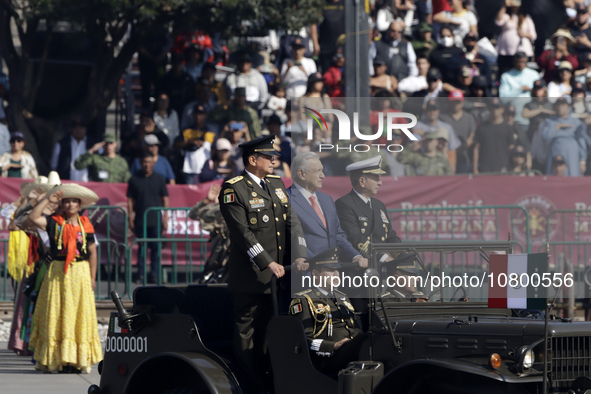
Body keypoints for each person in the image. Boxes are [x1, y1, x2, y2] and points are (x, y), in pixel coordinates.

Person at [218, 134, 307, 385]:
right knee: (247, 332)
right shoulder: (234, 189)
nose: (273, 161)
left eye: (274, 157)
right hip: (252, 277)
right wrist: (267, 261)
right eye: (268, 157)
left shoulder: (277, 184)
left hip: (279, 275)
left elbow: (292, 222)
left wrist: (300, 255)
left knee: (271, 329)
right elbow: (242, 232)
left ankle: (269, 378)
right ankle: (249, 381)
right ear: (252, 159)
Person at [27, 183, 102, 373]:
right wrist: (46, 200)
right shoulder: (53, 222)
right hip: (58, 271)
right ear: (62, 204)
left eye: (73, 202)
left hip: (80, 272)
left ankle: (76, 360)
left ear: (79, 205)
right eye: (67, 202)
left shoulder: (86, 225)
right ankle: (56, 359)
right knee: (56, 313)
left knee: (78, 314)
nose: (70, 205)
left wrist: (92, 278)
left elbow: (92, 253)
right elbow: (33, 217)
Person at [289, 247, 363, 375]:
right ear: (315, 274)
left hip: (350, 354)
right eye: (330, 270)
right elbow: (302, 340)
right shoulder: (303, 300)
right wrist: (333, 346)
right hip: (327, 359)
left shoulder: (342, 297)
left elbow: (354, 328)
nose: (336, 274)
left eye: (337, 270)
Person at [288, 151, 368, 265]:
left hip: (332, 269)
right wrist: (319, 264)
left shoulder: (326, 199)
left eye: (322, 170)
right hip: (307, 270)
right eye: (317, 171)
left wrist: (355, 255)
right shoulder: (286, 199)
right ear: (301, 174)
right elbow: (290, 239)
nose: (323, 175)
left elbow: (338, 235)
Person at [335, 156, 402, 265]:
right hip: (357, 269)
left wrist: (402, 256)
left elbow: (390, 235)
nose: (380, 183)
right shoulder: (344, 204)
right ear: (362, 181)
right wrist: (384, 258)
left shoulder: (378, 205)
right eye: (376, 178)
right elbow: (354, 237)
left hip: (378, 267)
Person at [127, 152, 169, 283]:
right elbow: (129, 200)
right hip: (140, 219)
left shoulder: (159, 179)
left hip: (156, 220)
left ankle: (154, 274)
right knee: (142, 249)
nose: (147, 165)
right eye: (144, 162)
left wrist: (166, 217)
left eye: (149, 162)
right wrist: (130, 218)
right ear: (140, 163)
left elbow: (165, 199)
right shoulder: (134, 179)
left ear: (153, 163)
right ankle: (140, 274)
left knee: (156, 249)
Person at [541, 97, 589, 176]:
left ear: (568, 106)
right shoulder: (549, 121)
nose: (560, 107)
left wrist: (583, 161)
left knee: (573, 178)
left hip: (572, 154)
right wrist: (556, 128)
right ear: (555, 107)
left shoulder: (576, 122)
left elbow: (581, 142)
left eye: (563, 105)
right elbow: (546, 138)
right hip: (555, 151)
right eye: (558, 105)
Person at [495, 0, 537, 77]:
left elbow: (533, 35)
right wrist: (504, 6)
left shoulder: (526, 17)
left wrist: (525, 34)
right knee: (504, 72)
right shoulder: (506, 16)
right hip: (506, 52)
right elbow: (498, 21)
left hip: (522, 51)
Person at [473, 101, 515, 174]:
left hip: (503, 168)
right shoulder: (482, 127)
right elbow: (476, 148)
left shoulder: (507, 128)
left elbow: (512, 147)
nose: (495, 110)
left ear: (502, 110)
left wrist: (512, 167)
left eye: (497, 108)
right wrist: (475, 168)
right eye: (493, 108)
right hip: (485, 168)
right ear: (489, 109)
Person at [440, 91, 477, 173]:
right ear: (449, 102)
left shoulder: (469, 117)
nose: (456, 104)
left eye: (458, 102)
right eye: (453, 102)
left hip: (464, 156)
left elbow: (472, 135)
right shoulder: (443, 117)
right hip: (447, 156)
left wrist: (463, 146)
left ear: (462, 103)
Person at [310, 0, 345, 73]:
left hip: (343, 45)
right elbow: (313, 22)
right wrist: (315, 43)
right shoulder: (322, 3)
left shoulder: (345, 3)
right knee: (326, 73)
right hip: (325, 45)